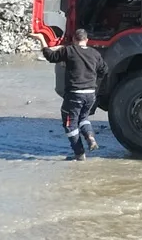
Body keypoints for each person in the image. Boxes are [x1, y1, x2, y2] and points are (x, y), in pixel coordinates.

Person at [40, 28, 108, 160]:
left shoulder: (69, 50)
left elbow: (50, 56)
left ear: (74, 40)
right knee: (83, 118)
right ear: (86, 40)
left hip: (75, 94)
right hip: (90, 94)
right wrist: (93, 80)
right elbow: (104, 70)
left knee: (69, 123)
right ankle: (90, 137)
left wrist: (41, 39)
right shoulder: (94, 53)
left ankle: (79, 153)